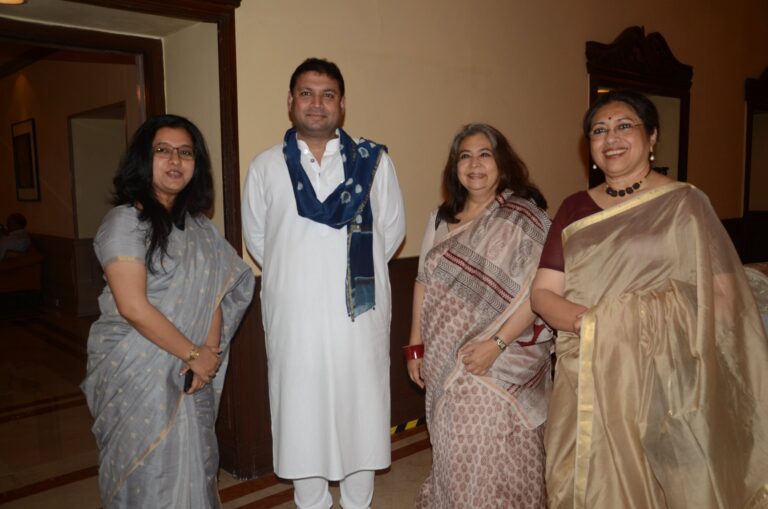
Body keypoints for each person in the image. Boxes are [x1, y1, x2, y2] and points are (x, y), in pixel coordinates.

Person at [531, 90, 768, 508]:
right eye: (599, 131)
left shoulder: (685, 203)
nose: (611, 138)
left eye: (625, 126)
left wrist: (645, 324)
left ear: (652, 137)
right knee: (581, 482)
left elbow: (726, 299)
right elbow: (544, 293)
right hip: (588, 364)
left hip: (669, 376)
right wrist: (593, 326)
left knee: (672, 481)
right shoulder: (573, 209)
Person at [241, 58, 405, 509]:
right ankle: (310, 503)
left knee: (361, 410)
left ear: (343, 104)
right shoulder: (264, 167)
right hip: (294, 319)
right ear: (290, 102)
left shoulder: (374, 163)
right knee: (300, 413)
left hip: (358, 317)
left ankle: (357, 503)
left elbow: (389, 234)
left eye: (328, 94)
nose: (317, 103)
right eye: (307, 93)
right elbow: (260, 241)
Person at [81, 114, 255, 508]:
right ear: (144, 159)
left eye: (186, 153)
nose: (175, 160)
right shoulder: (124, 222)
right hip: (135, 367)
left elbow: (215, 289)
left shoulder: (200, 229)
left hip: (191, 365)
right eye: (163, 150)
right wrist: (192, 353)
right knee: (146, 471)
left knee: (195, 464)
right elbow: (132, 306)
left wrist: (208, 354)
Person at [406, 123, 554, 508]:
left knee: (497, 455)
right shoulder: (441, 218)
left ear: (502, 164)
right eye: (465, 156)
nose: (474, 164)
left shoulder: (525, 218)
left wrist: (496, 344)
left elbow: (539, 293)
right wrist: (414, 346)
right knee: (452, 451)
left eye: (484, 154)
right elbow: (423, 281)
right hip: (442, 356)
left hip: (500, 361)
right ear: (455, 167)